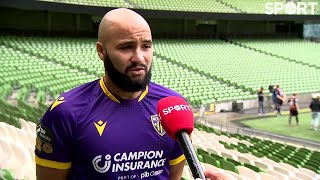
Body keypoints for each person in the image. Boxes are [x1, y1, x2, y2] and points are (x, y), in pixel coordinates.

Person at [35, 8, 226, 180]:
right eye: (126, 47)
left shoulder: (173, 107)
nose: (139, 57)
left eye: (146, 46)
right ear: (101, 51)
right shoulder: (66, 113)